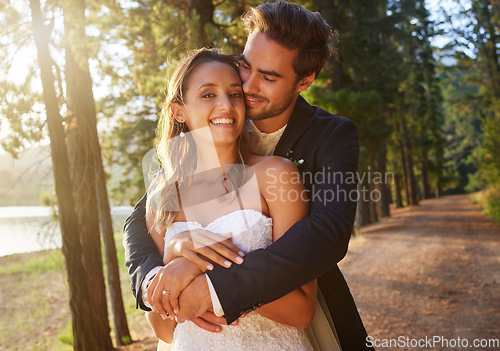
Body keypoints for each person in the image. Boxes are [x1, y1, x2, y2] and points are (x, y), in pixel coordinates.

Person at [124, 2, 372, 350]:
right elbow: (139, 220)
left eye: (268, 77)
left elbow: (326, 235)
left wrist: (209, 283)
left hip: (296, 315)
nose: (247, 84)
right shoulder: (202, 141)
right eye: (245, 65)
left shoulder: (330, 136)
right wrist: (168, 259)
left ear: (305, 80)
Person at [142, 47, 322, 349]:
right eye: (209, 95)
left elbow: (302, 310)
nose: (225, 105)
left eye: (235, 94)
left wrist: (199, 270)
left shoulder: (275, 176)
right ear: (179, 111)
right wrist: (176, 253)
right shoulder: (162, 199)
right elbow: (164, 329)